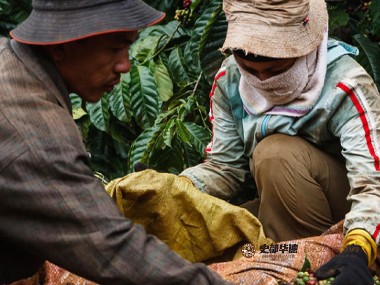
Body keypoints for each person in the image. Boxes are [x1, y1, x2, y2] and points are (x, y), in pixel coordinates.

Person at [0, 1, 233, 284]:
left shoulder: (8, 61)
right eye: (114, 49)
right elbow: (109, 247)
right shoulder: (36, 136)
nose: (125, 65)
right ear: (60, 46)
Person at [179, 0, 380, 284]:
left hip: (351, 213)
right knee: (216, 231)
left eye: (274, 71)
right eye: (251, 70)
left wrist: (359, 248)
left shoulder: (345, 83)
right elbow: (224, 167)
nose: (262, 80)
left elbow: (373, 182)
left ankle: (303, 264)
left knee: (275, 154)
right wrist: (176, 187)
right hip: (282, 202)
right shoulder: (230, 80)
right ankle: (283, 259)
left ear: (304, 50)